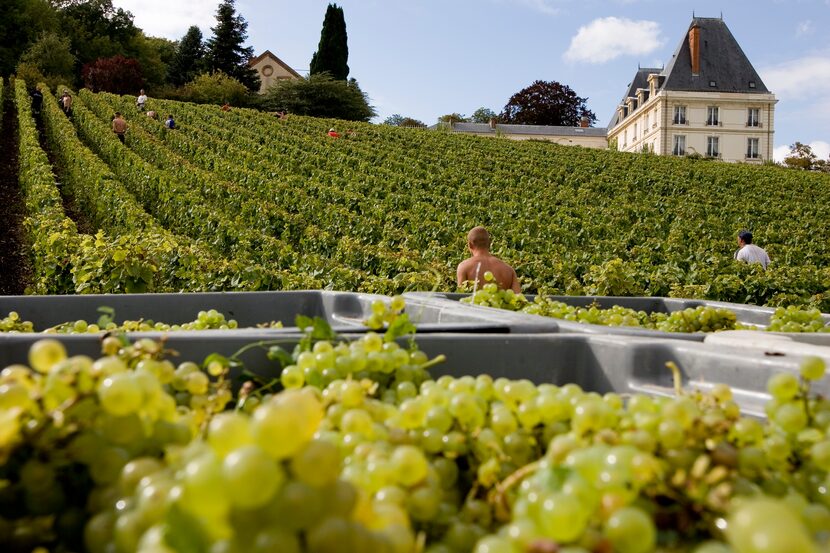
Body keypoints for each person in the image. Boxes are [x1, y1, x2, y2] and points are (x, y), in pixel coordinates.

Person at [456, 226, 521, 292]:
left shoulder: (464, 267)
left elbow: (460, 298)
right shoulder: (509, 270)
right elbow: (518, 299)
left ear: (470, 245)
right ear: (489, 244)